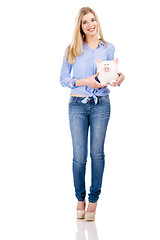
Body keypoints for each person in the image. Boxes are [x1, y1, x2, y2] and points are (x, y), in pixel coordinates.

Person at [60, 7, 125, 221]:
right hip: (77, 104)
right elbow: (63, 79)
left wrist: (118, 77)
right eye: (85, 22)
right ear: (80, 26)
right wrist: (84, 82)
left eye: (93, 20)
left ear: (97, 22)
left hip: (101, 105)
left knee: (97, 153)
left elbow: (109, 75)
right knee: (79, 156)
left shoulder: (108, 48)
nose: (91, 25)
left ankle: (93, 201)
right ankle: (80, 199)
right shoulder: (72, 49)